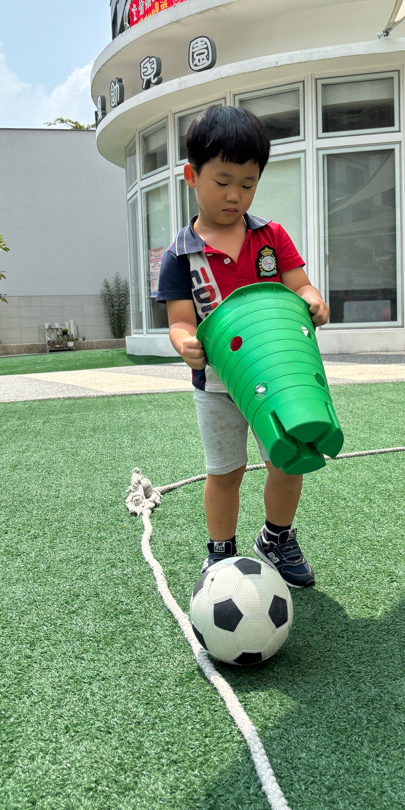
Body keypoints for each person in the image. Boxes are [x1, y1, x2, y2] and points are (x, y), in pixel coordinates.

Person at [156, 106, 330, 587]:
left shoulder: (270, 237)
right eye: (223, 181)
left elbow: (300, 285)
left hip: (279, 377)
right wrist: (186, 343)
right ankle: (221, 552)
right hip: (217, 386)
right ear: (192, 176)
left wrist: (313, 301)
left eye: (248, 183)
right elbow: (179, 321)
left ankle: (276, 537)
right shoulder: (181, 255)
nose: (235, 195)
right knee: (225, 472)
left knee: (288, 460)